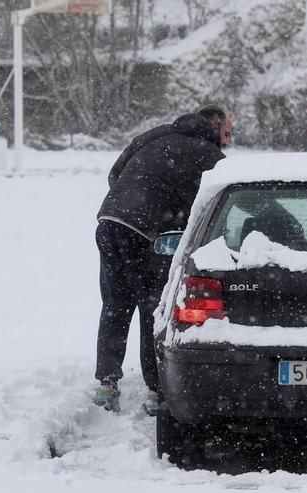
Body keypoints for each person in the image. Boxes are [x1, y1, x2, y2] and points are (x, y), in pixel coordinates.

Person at [92, 105, 232, 415]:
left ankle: (106, 384)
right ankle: (156, 391)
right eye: (227, 133)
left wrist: (133, 203)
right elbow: (224, 196)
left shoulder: (153, 135)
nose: (228, 140)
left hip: (110, 221)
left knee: (115, 304)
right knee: (152, 307)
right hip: (144, 231)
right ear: (213, 124)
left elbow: (115, 174)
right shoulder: (208, 154)